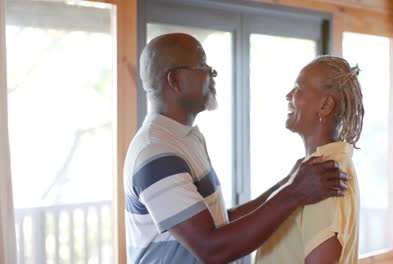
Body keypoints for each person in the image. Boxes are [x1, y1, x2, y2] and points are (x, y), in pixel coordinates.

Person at [123, 33, 350, 264]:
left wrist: (287, 184)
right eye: (203, 66)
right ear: (175, 80)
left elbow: (221, 222)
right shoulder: (156, 152)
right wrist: (294, 192)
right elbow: (211, 249)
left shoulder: (187, 139)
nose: (213, 74)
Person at [255, 55, 364, 264]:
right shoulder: (315, 171)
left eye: (298, 89)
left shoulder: (326, 175)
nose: (288, 95)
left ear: (325, 106)